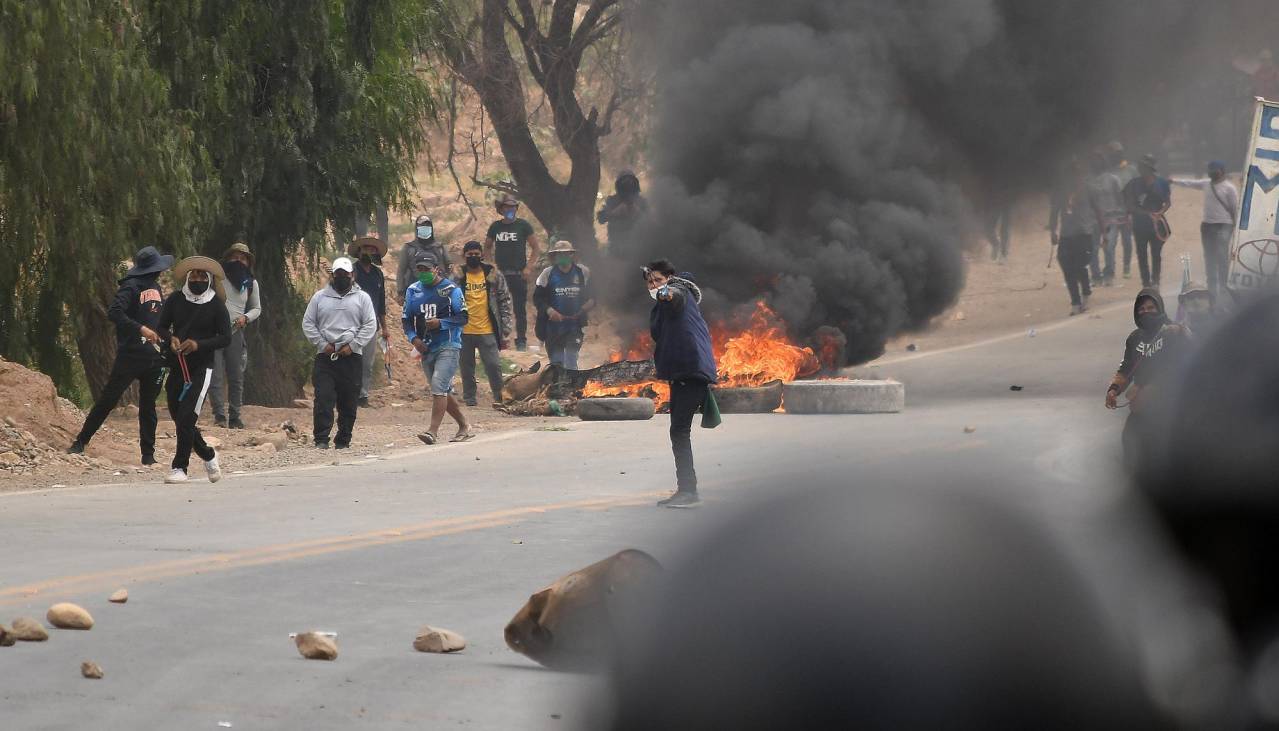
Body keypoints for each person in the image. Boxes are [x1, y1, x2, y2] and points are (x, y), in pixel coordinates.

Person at [68, 246, 173, 464]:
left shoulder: (155, 287)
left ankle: (148, 455)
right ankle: (80, 441)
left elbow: (158, 322)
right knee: (108, 399)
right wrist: (140, 328)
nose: (160, 272)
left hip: (153, 357)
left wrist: (169, 339)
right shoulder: (130, 287)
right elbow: (114, 312)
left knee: (148, 406)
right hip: (131, 355)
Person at [645, 260, 717, 509]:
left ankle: (689, 491)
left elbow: (672, 295)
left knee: (679, 431)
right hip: (682, 373)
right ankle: (685, 489)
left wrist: (666, 291)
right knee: (678, 431)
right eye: (650, 282)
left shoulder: (679, 293)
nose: (654, 286)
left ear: (670, 277)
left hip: (691, 372)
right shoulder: (663, 306)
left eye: (658, 280)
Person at [155, 256, 231, 484]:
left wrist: (199, 345)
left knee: (187, 416)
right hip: (178, 365)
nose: (197, 279)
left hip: (202, 368)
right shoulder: (176, 299)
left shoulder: (216, 305)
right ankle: (208, 454)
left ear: (209, 280)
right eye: (194, 275)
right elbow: (161, 326)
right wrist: (171, 338)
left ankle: (180, 467)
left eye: (202, 276)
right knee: (179, 417)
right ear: (188, 278)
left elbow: (225, 338)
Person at [1105, 289, 1192, 471]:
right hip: (1141, 404)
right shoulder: (1135, 338)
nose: (1146, 312)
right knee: (1130, 441)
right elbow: (1126, 368)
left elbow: (1180, 368)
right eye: (1142, 309)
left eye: (1151, 307)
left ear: (1159, 307)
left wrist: (1153, 389)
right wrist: (1114, 389)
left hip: (1170, 404)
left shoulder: (1174, 332)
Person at [302, 257, 378, 449]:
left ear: (352, 275)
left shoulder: (363, 298)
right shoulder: (319, 297)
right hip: (325, 356)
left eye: (346, 273)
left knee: (349, 400)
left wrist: (353, 345)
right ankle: (321, 439)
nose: (342, 277)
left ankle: (343, 439)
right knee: (323, 397)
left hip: (351, 357)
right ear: (333, 275)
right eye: (338, 274)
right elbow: (308, 323)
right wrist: (322, 343)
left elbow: (370, 325)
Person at [403, 252, 473, 444]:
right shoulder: (413, 291)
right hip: (426, 347)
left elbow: (463, 317)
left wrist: (441, 323)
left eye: (427, 269)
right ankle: (464, 425)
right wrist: (414, 339)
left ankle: (432, 432)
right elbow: (406, 320)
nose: (423, 272)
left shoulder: (451, 290)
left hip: (449, 344)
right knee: (443, 390)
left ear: (436, 269)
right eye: (420, 269)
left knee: (438, 385)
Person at [455, 240, 514, 407]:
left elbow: (504, 300)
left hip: (487, 329)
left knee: (494, 365)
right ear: (464, 256)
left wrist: (506, 326)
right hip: (464, 330)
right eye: (469, 255)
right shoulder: (458, 276)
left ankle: (499, 397)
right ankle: (470, 399)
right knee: (466, 368)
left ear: (482, 255)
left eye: (476, 254)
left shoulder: (493, 275)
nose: (473, 257)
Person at [209, 243, 261, 429]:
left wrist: (245, 318)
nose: (239, 261)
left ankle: (235, 416)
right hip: (213, 332)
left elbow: (256, 308)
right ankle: (219, 416)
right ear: (228, 258)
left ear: (248, 262)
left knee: (236, 375)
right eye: (235, 257)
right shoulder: (216, 279)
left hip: (235, 332)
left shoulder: (250, 283)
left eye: (243, 258)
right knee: (214, 376)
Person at [1171, 160, 1238, 298]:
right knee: (1209, 258)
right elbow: (1189, 183)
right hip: (1207, 226)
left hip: (1224, 225)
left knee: (1221, 256)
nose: (1212, 172)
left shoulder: (1229, 188)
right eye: (1210, 169)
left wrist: (1234, 227)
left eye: (1215, 169)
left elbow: (1234, 208)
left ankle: (1223, 286)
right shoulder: (1206, 184)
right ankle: (1212, 288)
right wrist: (1173, 181)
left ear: (1222, 171)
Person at [484, 194, 540, 351]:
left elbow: (536, 247)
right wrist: (490, 266)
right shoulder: (495, 227)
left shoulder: (523, 226)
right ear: (501, 209)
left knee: (519, 309)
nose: (510, 209)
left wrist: (529, 267)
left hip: (518, 273)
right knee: (497, 307)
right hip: (500, 275)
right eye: (507, 207)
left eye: (513, 206)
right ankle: (499, 337)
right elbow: (487, 246)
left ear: (516, 208)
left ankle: (521, 340)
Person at [1049, 160, 1101, 315]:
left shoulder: (1089, 189)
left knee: (1079, 267)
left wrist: (1104, 232)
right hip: (1066, 235)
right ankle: (1075, 301)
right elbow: (1054, 212)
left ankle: (1085, 292)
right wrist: (1052, 231)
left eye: (1076, 174)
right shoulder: (1061, 191)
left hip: (1083, 234)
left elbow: (1098, 211)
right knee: (1066, 266)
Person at [534, 240, 595, 370]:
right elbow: (538, 298)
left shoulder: (582, 272)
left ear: (571, 255)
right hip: (552, 329)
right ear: (554, 257)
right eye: (559, 254)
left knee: (571, 360)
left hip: (575, 327)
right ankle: (558, 388)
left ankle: (574, 388)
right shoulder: (547, 273)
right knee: (557, 364)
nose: (563, 257)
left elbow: (593, 297)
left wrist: (584, 308)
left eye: (566, 254)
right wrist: (549, 311)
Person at [349, 234, 390, 407]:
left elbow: (381, 302)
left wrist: (385, 327)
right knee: (350, 361)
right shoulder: (352, 271)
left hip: (371, 325)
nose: (368, 252)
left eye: (372, 249)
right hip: (351, 324)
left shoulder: (377, 274)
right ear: (359, 252)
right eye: (365, 248)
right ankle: (348, 394)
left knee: (367, 363)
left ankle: (363, 395)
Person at [1123, 154, 1173, 288]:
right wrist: (1141, 213)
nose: (1141, 170)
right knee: (1141, 254)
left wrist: (1159, 213)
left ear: (1150, 169)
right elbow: (1129, 204)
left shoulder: (1162, 183)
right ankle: (1146, 282)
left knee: (1156, 253)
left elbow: (1168, 203)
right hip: (1140, 225)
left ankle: (1155, 280)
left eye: (1143, 167)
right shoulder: (1133, 184)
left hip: (1157, 225)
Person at [1090, 151, 1126, 287]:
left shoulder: (1113, 179)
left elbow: (1121, 199)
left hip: (1111, 218)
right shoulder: (1088, 181)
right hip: (1092, 220)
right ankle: (1095, 276)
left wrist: (1125, 216)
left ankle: (1109, 274)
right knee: (1092, 249)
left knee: (1109, 247)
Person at [397, 214, 449, 301]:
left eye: (427, 225)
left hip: (438, 290)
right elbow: (401, 271)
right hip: (415, 290)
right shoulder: (409, 248)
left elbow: (449, 265)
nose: (425, 227)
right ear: (417, 228)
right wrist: (400, 291)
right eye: (422, 225)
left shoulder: (439, 247)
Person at [1108, 141, 1139, 279]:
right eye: (1114, 153)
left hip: (1127, 213)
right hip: (1112, 213)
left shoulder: (1131, 170)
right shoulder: (1108, 171)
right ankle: (1111, 269)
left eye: (1118, 152)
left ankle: (1126, 266)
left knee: (1126, 242)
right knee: (1110, 243)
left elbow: (1138, 189)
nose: (1116, 155)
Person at [596, 170, 648, 245]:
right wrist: (613, 213)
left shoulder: (642, 202)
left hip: (639, 246)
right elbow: (601, 218)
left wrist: (639, 213)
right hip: (617, 245)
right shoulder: (612, 201)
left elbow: (652, 222)